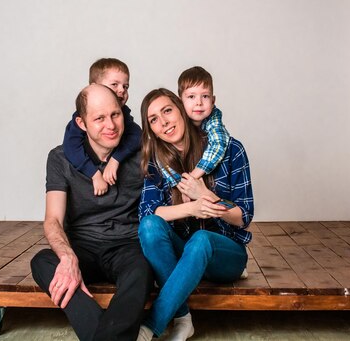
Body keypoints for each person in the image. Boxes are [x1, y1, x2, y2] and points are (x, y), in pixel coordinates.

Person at [31, 84, 154, 341]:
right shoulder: (60, 158)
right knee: (43, 261)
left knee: (143, 269)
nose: (110, 125)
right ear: (82, 123)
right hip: (83, 246)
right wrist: (67, 257)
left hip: (126, 245)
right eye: (99, 118)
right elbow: (53, 219)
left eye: (115, 115)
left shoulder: (142, 154)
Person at [136, 88, 254, 341]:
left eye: (167, 110)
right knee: (149, 226)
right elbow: (148, 211)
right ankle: (183, 319)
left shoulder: (231, 150)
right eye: (154, 119)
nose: (164, 122)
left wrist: (207, 196)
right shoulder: (156, 162)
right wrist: (191, 208)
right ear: (151, 130)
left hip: (226, 256)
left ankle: (151, 325)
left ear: (181, 109)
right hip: (183, 256)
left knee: (201, 240)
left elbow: (243, 216)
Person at [63, 58, 142, 196]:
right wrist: (94, 174)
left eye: (126, 86)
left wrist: (115, 160)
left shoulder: (124, 113)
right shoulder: (81, 119)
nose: (121, 90)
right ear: (94, 86)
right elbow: (71, 147)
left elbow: (136, 135)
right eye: (114, 84)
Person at [157, 66, 230, 188]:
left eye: (205, 96)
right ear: (180, 102)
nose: (199, 102)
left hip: (198, 177)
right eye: (191, 96)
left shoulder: (213, 117)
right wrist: (183, 187)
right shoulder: (175, 124)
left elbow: (219, 143)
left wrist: (194, 176)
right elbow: (162, 155)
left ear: (213, 101)